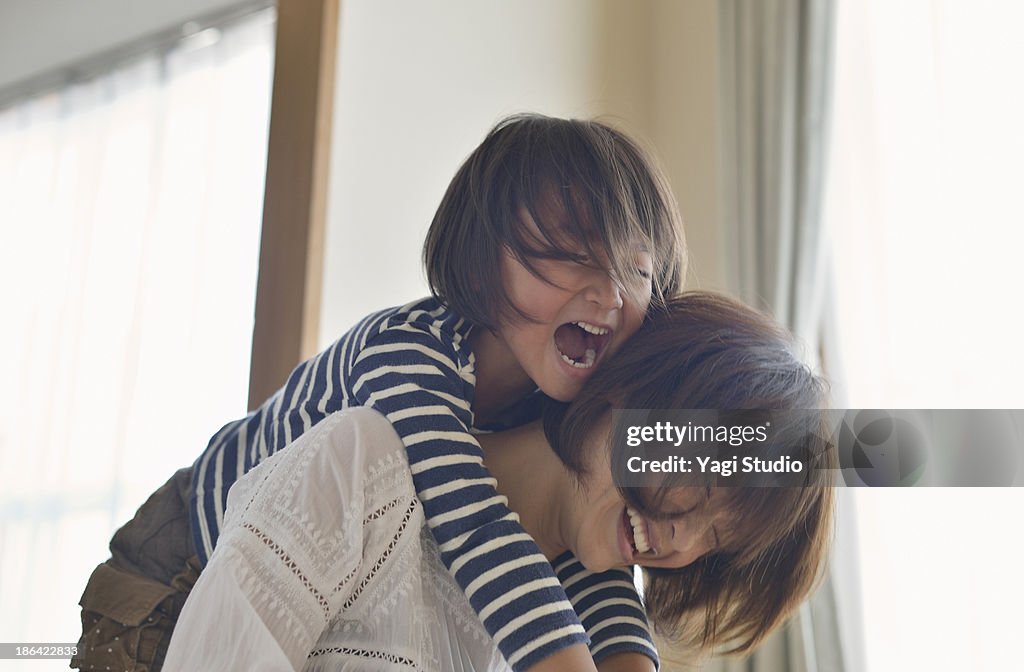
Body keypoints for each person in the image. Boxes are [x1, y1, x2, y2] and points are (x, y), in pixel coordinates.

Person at [73, 113, 686, 672]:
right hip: (179, 559)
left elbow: (586, 545)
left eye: (637, 269)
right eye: (575, 254)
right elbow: (472, 520)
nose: (610, 293)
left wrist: (631, 655)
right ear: (480, 265)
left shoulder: (558, 400)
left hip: (306, 589)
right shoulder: (409, 355)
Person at [162, 292, 836, 671]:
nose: (681, 537)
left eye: (715, 538)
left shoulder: (590, 621)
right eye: (700, 488)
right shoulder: (365, 458)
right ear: (631, 393)